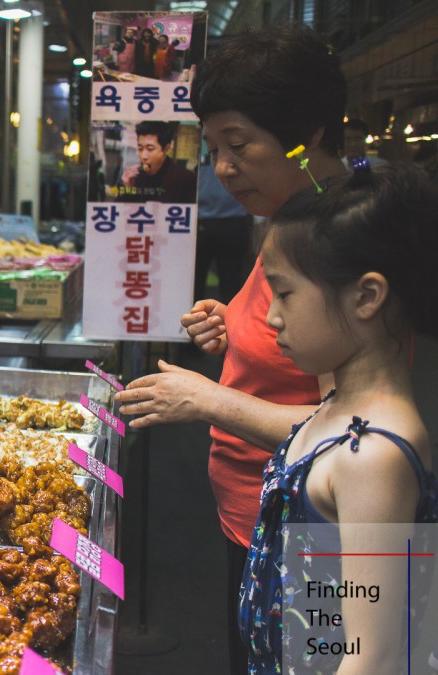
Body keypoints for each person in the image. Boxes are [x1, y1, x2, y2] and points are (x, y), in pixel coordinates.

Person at [112, 26, 349, 675]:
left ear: (310, 130)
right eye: (214, 148)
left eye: (239, 145)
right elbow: (288, 340)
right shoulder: (291, 218)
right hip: (258, 519)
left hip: (316, 533)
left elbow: (363, 436)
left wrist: (209, 397)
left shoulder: (345, 241)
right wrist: (235, 320)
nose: (223, 169)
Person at [241, 163, 438, 673]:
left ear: (366, 296)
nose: (271, 316)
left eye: (284, 293)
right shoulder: (338, 403)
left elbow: (368, 656)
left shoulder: (372, 456)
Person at [194, 162, 253, 302]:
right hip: (198, 221)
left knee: (231, 284)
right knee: (193, 283)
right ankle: (189, 321)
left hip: (233, 221)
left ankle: (231, 323)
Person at [117, 120, 197, 203]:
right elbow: (119, 212)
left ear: (166, 149)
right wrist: (127, 189)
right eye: (140, 148)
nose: (144, 156)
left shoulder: (186, 180)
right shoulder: (135, 179)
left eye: (150, 149)